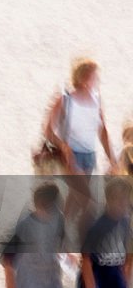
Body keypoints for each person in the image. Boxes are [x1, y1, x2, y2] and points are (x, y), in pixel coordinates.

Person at [42, 59, 117, 229]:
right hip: (71, 157)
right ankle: (91, 247)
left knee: (73, 204)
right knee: (89, 203)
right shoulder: (65, 99)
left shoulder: (97, 100)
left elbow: (102, 132)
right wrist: (63, 146)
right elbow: (48, 130)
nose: (97, 80)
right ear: (83, 78)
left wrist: (112, 158)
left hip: (89, 157)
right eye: (93, 76)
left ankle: (55, 239)